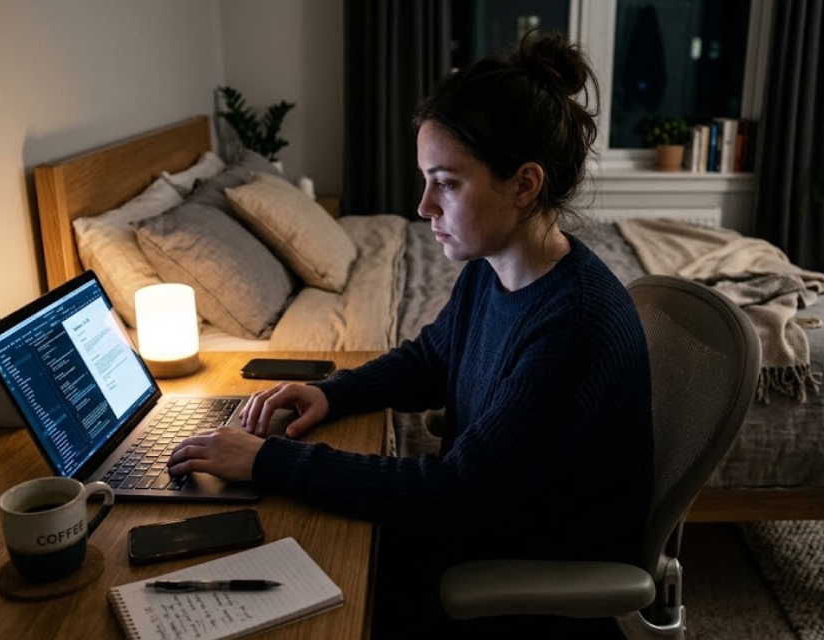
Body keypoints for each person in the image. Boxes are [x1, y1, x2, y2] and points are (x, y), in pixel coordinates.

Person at [168, 31, 654, 639]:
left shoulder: (573, 326)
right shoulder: (494, 268)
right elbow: (431, 357)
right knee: (272, 548)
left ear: (525, 185)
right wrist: (335, 393)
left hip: (522, 570)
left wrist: (270, 459)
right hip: (486, 522)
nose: (423, 206)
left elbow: (456, 494)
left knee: (299, 574)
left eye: (447, 183)